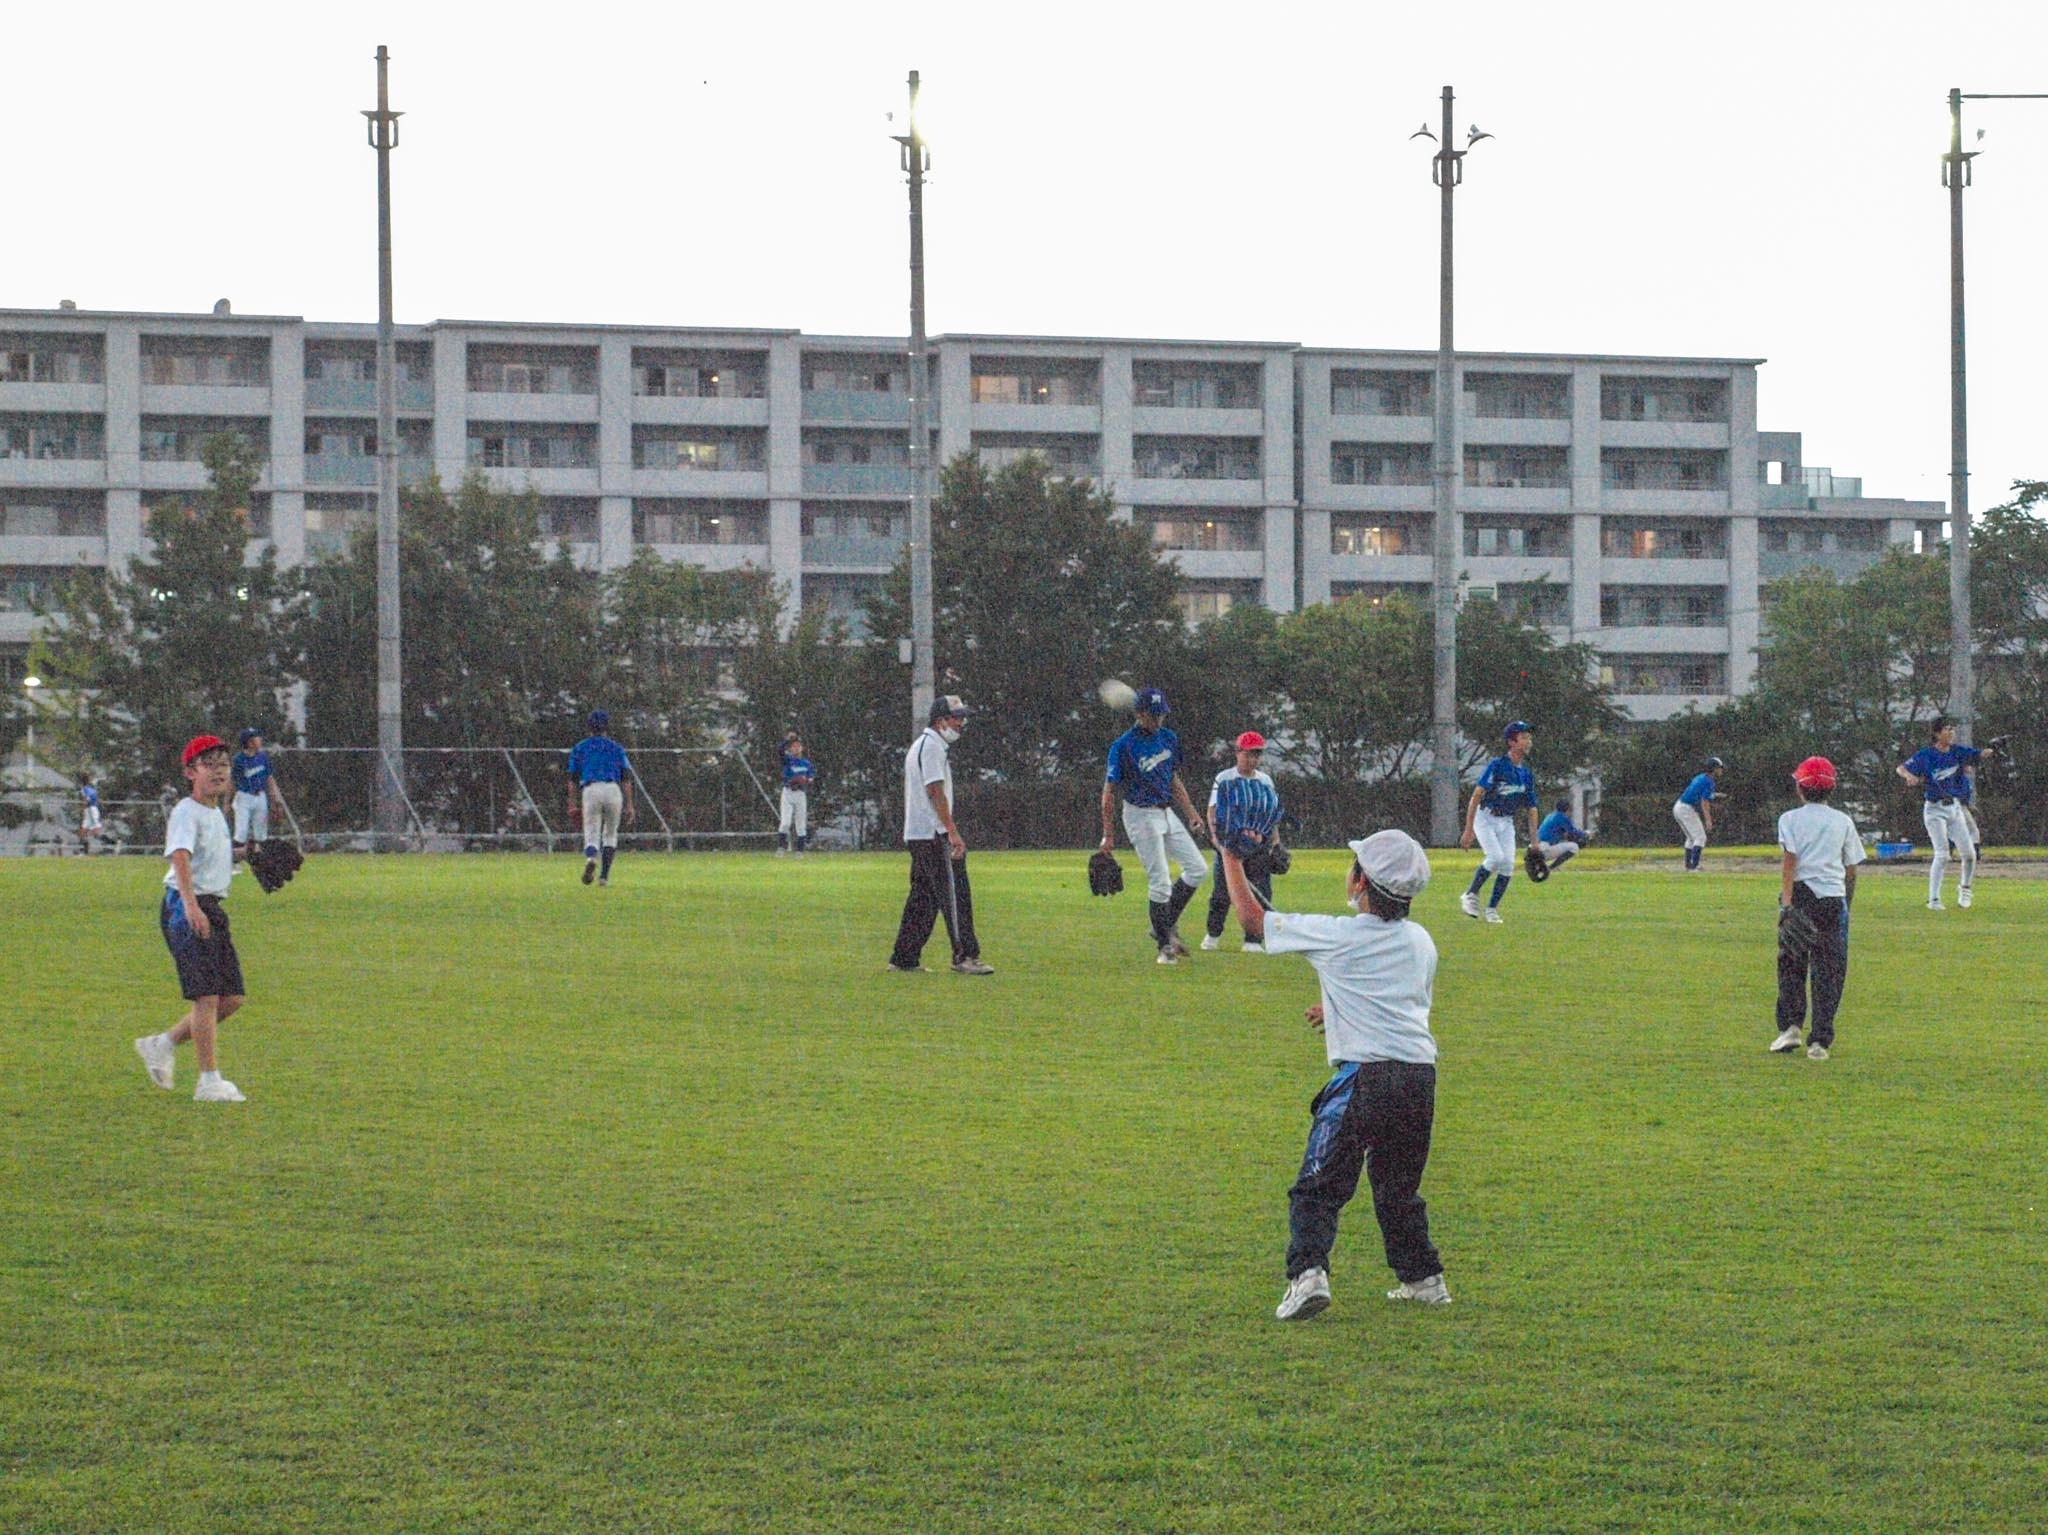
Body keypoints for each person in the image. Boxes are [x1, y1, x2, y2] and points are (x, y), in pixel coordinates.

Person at [1218, 827, 1450, 1318]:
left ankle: (1307, 1277)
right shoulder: (1421, 940)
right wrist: (1337, 1005)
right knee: (1397, 1189)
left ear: (1360, 882)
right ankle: (1424, 1279)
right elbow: (1402, 998)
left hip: (1364, 1078)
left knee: (1317, 1185)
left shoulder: (1338, 934)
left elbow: (1253, 921)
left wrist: (1231, 858)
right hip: (1418, 1079)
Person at [133, 736, 248, 1103]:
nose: (218, 771)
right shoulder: (187, 810)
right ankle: (208, 1081)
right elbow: (180, 856)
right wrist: (191, 906)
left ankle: (162, 1044)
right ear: (190, 773)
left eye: (223, 764)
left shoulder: (215, 813)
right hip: (187, 905)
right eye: (208, 764)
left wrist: (248, 853)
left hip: (210, 905)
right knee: (207, 996)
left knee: (232, 997)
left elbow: (208, 854)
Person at [1098, 686, 1209, 964]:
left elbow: (1173, 779)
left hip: (1166, 812)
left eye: (1161, 714)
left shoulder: (1168, 737)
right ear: (1140, 714)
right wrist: (1108, 835)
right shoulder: (1123, 746)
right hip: (1140, 815)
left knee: (1197, 869)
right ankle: (1164, 946)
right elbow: (1109, 792)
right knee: (1160, 882)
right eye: (1153, 714)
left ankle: (1162, 924)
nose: (1159, 719)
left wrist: (1192, 813)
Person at [890, 695, 993, 975]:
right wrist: (952, 832)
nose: (961, 723)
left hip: (919, 833)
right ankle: (965, 956)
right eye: (957, 717)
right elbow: (935, 791)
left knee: (923, 898)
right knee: (955, 896)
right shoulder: (932, 747)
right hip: (934, 833)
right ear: (941, 721)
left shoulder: (924, 745)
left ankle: (904, 958)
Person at [1771, 755, 1864, 1062]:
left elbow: (1790, 862)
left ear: (1800, 787)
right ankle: (1820, 1041)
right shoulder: (1843, 821)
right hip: (1833, 898)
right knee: (1829, 970)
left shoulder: (1789, 819)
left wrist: (1786, 904)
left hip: (1800, 896)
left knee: (1791, 965)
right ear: (1831, 788)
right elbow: (1851, 869)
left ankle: (1791, 1028)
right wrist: (1846, 904)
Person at [1897, 718, 1999, 911]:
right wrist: (1909, 776)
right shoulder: (1926, 755)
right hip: (1935, 809)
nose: (1951, 732)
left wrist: (1992, 749)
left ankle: (1965, 889)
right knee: (1943, 854)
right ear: (1937, 733)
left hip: (1954, 808)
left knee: (1969, 854)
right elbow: (1901, 768)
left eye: (1952, 728)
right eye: (1947, 729)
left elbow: (1979, 754)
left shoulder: (1957, 751)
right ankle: (1934, 899)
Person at [1203, 730, 1281, 952]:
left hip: (1257, 844)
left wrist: (1276, 843)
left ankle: (1252, 940)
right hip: (1230, 844)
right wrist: (1216, 839)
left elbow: (1271, 815)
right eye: (1248, 754)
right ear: (1237, 753)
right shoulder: (1225, 778)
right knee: (1222, 893)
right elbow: (1213, 811)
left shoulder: (1265, 781)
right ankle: (1213, 935)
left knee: (1261, 891)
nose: (1252, 759)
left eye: (1257, 755)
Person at [1459, 721, 1539, 923]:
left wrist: (1535, 842)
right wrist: (1468, 830)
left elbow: (1532, 808)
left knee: (1508, 865)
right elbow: (1477, 795)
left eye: (1529, 737)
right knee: (1495, 857)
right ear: (1511, 742)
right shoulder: (1498, 765)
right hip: (1485, 817)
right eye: (1523, 737)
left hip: (1506, 821)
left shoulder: (1525, 773)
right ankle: (1470, 894)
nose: (1528, 741)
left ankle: (1492, 910)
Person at [565, 709, 635, 887]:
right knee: (610, 833)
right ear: (607, 727)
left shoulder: (580, 747)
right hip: (613, 789)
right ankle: (603, 877)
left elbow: (572, 779)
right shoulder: (616, 747)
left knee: (591, 831)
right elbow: (626, 777)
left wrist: (572, 803)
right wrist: (630, 804)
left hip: (591, 789)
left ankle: (591, 858)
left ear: (589, 727)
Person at [230, 727, 283, 854]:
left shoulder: (263, 757)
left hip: (260, 796)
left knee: (261, 832)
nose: (260, 740)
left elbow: (269, 778)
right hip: (244, 796)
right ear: (249, 742)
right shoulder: (238, 760)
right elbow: (232, 781)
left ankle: (261, 859)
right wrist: (227, 801)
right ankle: (234, 860)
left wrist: (275, 798)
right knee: (241, 832)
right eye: (256, 738)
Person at [1673, 756, 1724, 871]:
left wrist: (1715, 795)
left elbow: (1697, 793)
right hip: (1686, 809)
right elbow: (1704, 802)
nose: (1721, 770)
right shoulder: (1709, 781)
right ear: (1714, 769)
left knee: (1691, 838)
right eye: (1719, 768)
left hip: (1679, 806)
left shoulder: (1701, 777)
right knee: (1700, 838)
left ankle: (1689, 866)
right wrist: (1708, 820)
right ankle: (1694, 867)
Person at [777, 732, 815, 856]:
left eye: (798, 746)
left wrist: (803, 781)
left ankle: (800, 851)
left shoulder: (807, 764)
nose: (796, 748)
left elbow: (810, 779)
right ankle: (781, 848)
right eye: (794, 746)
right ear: (790, 748)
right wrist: (787, 740)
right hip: (788, 792)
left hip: (800, 794)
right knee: (785, 823)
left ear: (802, 748)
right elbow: (780, 751)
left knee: (801, 824)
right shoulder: (788, 760)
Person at [1535, 799, 1588, 871]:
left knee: (1562, 844)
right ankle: (1551, 868)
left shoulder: (1549, 815)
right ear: (1567, 809)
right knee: (1574, 847)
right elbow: (1573, 832)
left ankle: (1543, 865)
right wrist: (1586, 833)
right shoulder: (1562, 817)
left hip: (1536, 848)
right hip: (1544, 850)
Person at [78, 774, 103, 854]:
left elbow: (87, 799)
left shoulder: (85, 789)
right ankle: (84, 849)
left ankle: (107, 843)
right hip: (91, 809)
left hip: (90, 809)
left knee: (94, 829)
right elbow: (93, 799)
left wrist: (83, 808)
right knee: (85, 829)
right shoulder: (91, 789)